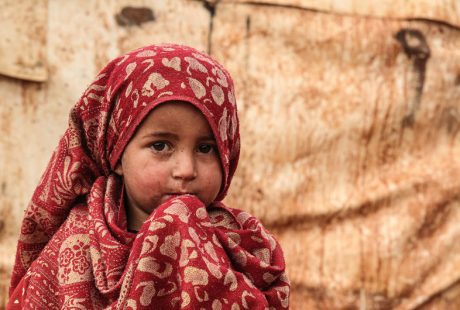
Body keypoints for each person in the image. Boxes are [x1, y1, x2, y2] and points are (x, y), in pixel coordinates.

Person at [7, 44, 290, 309]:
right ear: (116, 153)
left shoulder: (245, 246)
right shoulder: (77, 246)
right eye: (160, 146)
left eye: (206, 148)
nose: (186, 170)